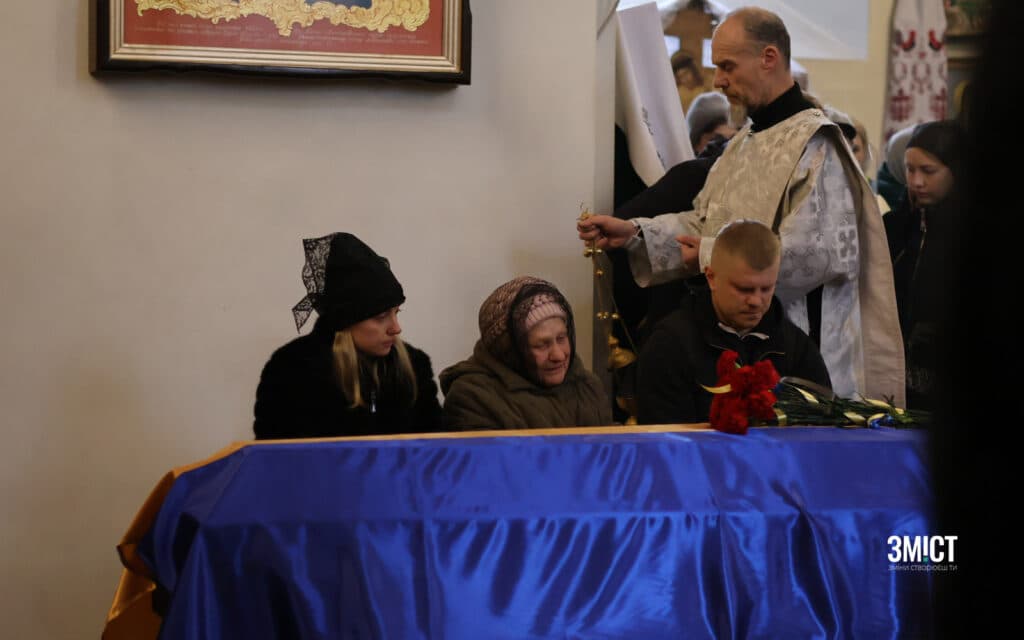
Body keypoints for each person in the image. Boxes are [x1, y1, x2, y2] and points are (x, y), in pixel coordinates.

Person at [578, 6, 904, 405]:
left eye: (727, 66)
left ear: (769, 58)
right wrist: (637, 232)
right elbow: (705, 221)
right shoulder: (744, 142)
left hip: (796, 355)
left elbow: (817, 255)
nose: (718, 80)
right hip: (735, 343)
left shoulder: (816, 144)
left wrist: (711, 254)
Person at [637, 220, 829, 424]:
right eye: (744, 289)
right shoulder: (670, 345)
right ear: (711, 278)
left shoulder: (794, 346)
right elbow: (665, 438)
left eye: (766, 289)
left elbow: (821, 429)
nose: (756, 301)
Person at [253, 232, 442, 439]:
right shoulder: (291, 371)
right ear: (345, 320)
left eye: (396, 313)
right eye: (381, 317)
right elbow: (272, 452)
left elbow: (436, 448)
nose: (396, 328)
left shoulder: (414, 366)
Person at [440, 276, 612, 429]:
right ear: (509, 351)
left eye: (561, 338)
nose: (559, 355)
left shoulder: (587, 386)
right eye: (542, 345)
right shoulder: (473, 397)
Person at [883, 120, 964, 409]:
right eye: (910, 169)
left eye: (928, 171)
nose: (916, 182)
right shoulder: (895, 227)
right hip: (895, 376)